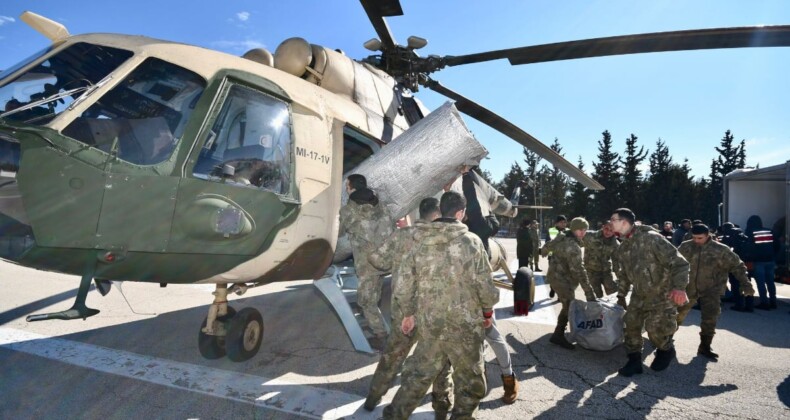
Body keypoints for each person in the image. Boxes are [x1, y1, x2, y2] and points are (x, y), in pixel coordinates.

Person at [384, 191, 500, 419]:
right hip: (464, 327)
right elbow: (485, 287)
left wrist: (408, 314)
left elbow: (404, 284)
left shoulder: (420, 240)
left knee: (417, 377)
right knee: (469, 382)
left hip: (430, 325)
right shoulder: (472, 242)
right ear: (460, 213)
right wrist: (487, 311)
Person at [364, 198, 453, 414]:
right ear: (438, 213)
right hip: (433, 314)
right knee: (440, 363)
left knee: (392, 357)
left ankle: (373, 398)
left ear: (420, 213)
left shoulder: (402, 235)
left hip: (403, 311)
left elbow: (376, 259)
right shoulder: (445, 238)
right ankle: (442, 407)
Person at [611, 208, 689, 377]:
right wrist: (621, 295)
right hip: (639, 294)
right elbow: (624, 274)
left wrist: (679, 288)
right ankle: (634, 361)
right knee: (630, 325)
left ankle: (665, 349)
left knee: (655, 329)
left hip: (662, 294)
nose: (611, 223)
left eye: (613, 219)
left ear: (624, 222)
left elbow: (680, 264)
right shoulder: (623, 247)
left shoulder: (652, 239)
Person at [677, 224, 756, 360]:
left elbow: (738, 266)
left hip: (711, 289)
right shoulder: (686, 246)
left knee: (710, 318)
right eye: (694, 237)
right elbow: (674, 264)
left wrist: (746, 284)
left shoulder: (721, 250)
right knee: (678, 315)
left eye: (700, 238)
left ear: (708, 235)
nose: (696, 240)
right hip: (688, 288)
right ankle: (665, 341)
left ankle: (705, 346)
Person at [338, 174, 393, 350]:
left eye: (347, 185)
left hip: (367, 263)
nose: (346, 188)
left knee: (366, 301)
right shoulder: (381, 206)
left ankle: (382, 336)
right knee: (374, 295)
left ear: (351, 186)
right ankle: (374, 319)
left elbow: (339, 233)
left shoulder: (348, 210)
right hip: (384, 259)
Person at [541, 217, 597, 349]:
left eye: (585, 230)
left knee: (567, 304)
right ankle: (558, 335)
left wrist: (547, 251)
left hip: (555, 276)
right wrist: (589, 293)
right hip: (562, 280)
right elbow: (579, 271)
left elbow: (546, 247)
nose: (583, 233)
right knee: (570, 306)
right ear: (574, 230)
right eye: (581, 230)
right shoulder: (573, 247)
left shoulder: (562, 236)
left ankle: (558, 333)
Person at [744, 214, 779, 310]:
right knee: (770, 282)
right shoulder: (770, 231)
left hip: (758, 261)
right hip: (770, 260)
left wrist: (749, 258)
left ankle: (764, 302)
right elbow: (777, 245)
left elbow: (749, 247)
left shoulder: (750, 232)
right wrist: (773, 255)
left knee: (761, 282)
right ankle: (773, 301)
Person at [718, 222, 754, 312]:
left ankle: (739, 304)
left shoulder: (726, 238)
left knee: (735, 284)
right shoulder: (745, 237)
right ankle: (749, 306)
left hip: (734, 264)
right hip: (747, 263)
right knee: (747, 283)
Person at [583, 221, 620, 298]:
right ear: (602, 227)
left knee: (613, 293)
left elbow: (616, 262)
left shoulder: (615, 244)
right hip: (591, 272)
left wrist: (620, 278)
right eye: (606, 228)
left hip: (606, 272)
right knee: (596, 296)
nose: (608, 232)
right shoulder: (590, 236)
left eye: (611, 230)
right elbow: (576, 235)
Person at [545, 215, 568, 298]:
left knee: (563, 277)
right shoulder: (552, 231)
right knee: (553, 276)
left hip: (564, 258)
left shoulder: (568, 231)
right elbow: (548, 243)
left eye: (565, 222)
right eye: (562, 222)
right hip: (553, 257)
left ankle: (560, 295)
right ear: (557, 223)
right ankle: (552, 288)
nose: (564, 224)